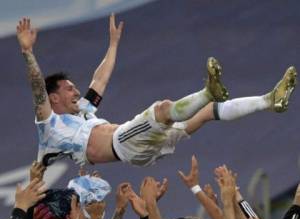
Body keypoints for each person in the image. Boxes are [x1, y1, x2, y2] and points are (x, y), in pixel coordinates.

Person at [16, 15, 298, 168]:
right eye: (68, 89)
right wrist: (28, 52)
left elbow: (99, 79)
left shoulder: (84, 112)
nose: (76, 90)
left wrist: (113, 45)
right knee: (162, 108)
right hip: (124, 145)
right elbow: (37, 89)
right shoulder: (49, 125)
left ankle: (268, 101)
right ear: (54, 98)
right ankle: (208, 91)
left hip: (139, 144)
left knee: (204, 114)